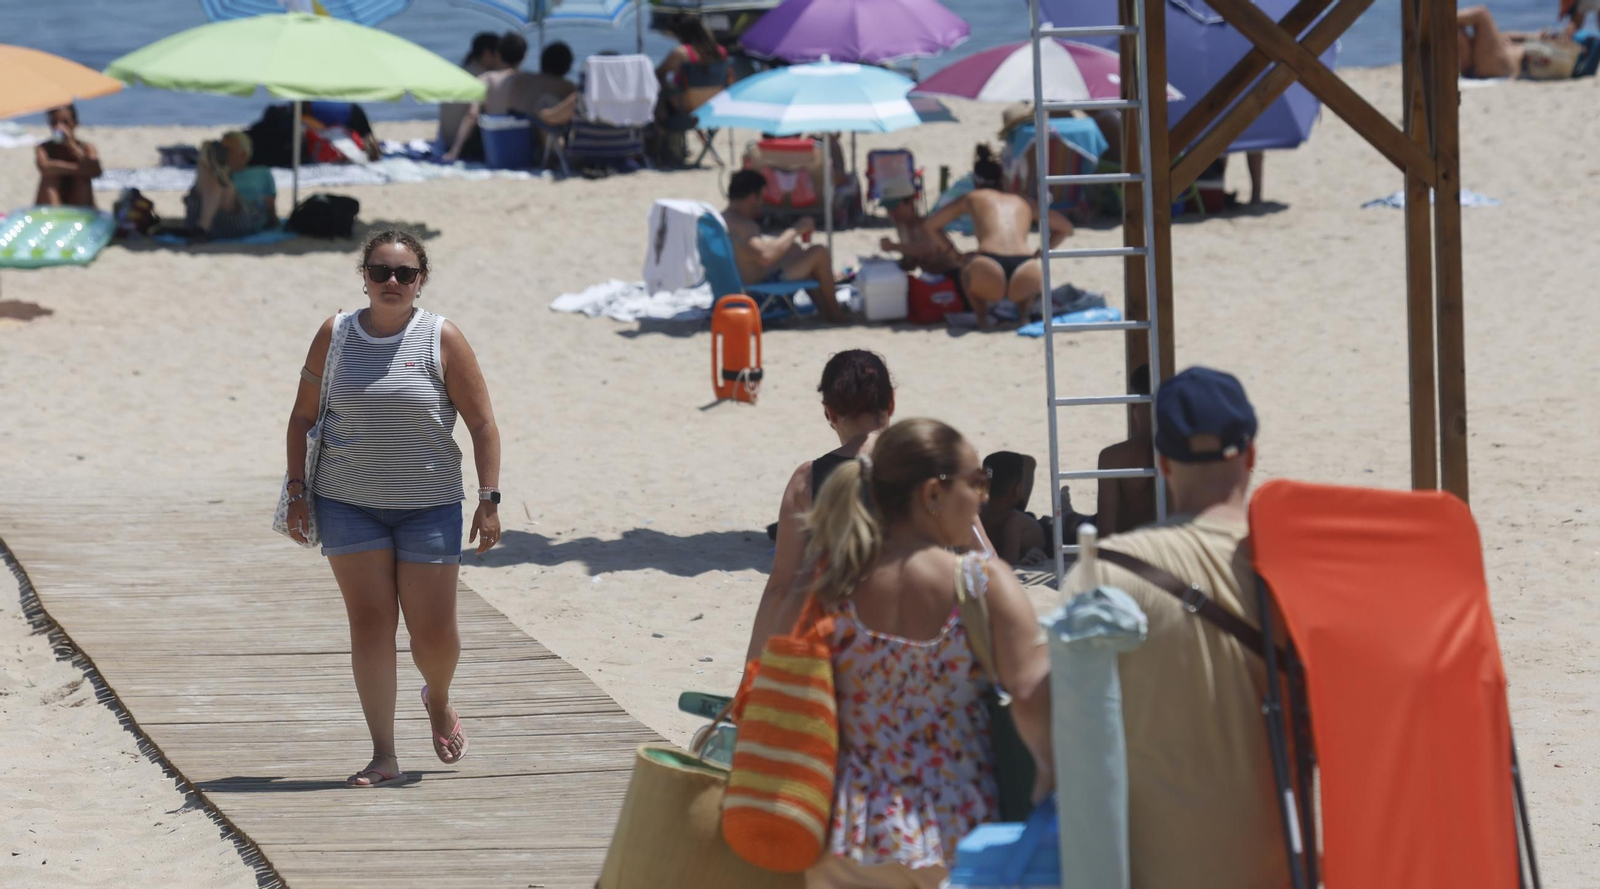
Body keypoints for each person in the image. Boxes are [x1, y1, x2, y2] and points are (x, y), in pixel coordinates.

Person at [759, 418, 1052, 889]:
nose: (983, 497)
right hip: (955, 829)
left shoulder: (835, 582)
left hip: (849, 832)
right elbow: (1033, 694)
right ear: (933, 494)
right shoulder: (980, 582)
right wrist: (1048, 781)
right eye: (976, 482)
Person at [283, 230, 503, 788]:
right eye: (380, 272)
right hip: (346, 500)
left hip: (428, 504)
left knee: (433, 637)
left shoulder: (442, 338)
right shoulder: (334, 335)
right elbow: (302, 417)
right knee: (371, 625)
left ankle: (440, 698)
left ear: (420, 281)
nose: (391, 283)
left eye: (404, 274)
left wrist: (488, 500)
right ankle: (384, 754)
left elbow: (482, 424)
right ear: (364, 276)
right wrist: (297, 490)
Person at [1062, 366, 1286, 889]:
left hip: (1153, 872)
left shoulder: (1104, 575)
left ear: (1162, 463)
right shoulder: (1299, 570)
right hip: (1283, 869)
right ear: (1251, 455)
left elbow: (1064, 728)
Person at [745, 350, 895, 662]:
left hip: (840, 656)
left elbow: (781, 588)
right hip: (923, 652)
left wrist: (751, 677)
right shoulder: (931, 466)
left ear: (829, 411)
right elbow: (983, 560)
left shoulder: (807, 480)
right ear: (890, 403)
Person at [924, 145, 1073, 329]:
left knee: (965, 268)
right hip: (1025, 270)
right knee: (1031, 279)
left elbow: (931, 225)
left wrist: (955, 254)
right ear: (1003, 180)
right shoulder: (1022, 200)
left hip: (988, 269)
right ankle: (1023, 317)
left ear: (976, 182)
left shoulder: (972, 197)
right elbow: (1065, 227)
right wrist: (1041, 252)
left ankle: (982, 319)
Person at [722, 169, 844, 323]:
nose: (762, 204)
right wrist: (796, 229)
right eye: (761, 199)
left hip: (736, 291)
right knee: (819, 252)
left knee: (795, 250)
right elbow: (766, 257)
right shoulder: (743, 226)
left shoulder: (723, 220)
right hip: (757, 295)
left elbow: (752, 253)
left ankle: (824, 310)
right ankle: (836, 314)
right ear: (753, 197)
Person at [444, 35, 577, 162]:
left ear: (498, 54)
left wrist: (455, 150)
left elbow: (472, 115)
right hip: (525, 144)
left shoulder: (486, 78)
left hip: (495, 143)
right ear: (524, 56)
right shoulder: (527, 79)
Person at [1096, 364, 1158, 537]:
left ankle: (1066, 508)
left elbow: (1106, 533)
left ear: (1133, 405)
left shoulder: (1112, 458)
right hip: (1164, 547)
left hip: (1127, 544)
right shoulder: (1184, 454)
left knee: (1073, 523)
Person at [182, 137, 272, 240]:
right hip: (212, 215)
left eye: (228, 150)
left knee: (220, 183)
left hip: (241, 217)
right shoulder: (208, 175)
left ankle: (202, 228)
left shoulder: (260, 172)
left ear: (244, 154)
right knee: (209, 174)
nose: (224, 153)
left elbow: (269, 203)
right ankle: (201, 228)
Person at [879, 181, 966, 280]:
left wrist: (894, 246)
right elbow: (911, 264)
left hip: (952, 277)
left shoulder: (926, 224)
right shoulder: (901, 227)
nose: (891, 213)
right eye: (888, 209)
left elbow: (928, 250)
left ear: (910, 202)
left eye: (895, 208)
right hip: (932, 278)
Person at [440, 32, 506, 162]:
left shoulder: (457, 72)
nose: (500, 61)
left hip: (445, 141)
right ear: (487, 54)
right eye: (499, 56)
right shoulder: (483, 78)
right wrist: (455, 151)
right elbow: (472, 116)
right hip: (465, 145)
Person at [980, 451, 1047, 566]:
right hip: (1039, 529)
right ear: (1019, 489)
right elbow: (1009, 567)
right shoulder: (1013, 523)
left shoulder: (977, 511)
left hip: (1043, 530)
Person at [34, 105, 100, 209]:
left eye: (65, 122)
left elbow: (95, 170)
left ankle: (80, 214)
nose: (59, 127)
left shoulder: (86, 147)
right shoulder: (44, 147)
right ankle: (56, 214)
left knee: (81, 181)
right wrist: (78, 168)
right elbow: (44, 167)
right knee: (50, 180)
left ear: (75, 123)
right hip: (51, 203)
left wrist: (71, 145)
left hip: (79, 202)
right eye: (55, 122)